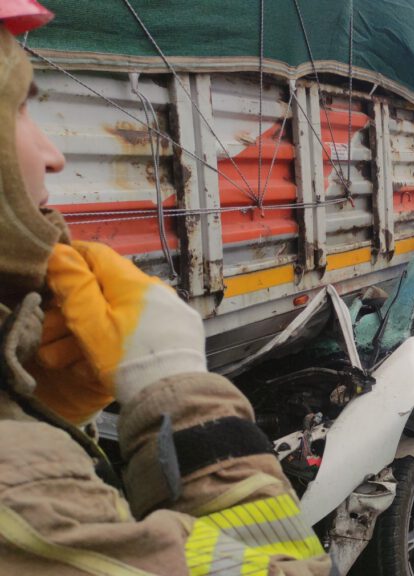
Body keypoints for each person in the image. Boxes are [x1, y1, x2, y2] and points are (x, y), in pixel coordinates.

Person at [0, 5, 331, 573]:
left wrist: (38, 411)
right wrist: (179, 393)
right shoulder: (24, 502)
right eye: (21, 111)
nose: (55, 156)